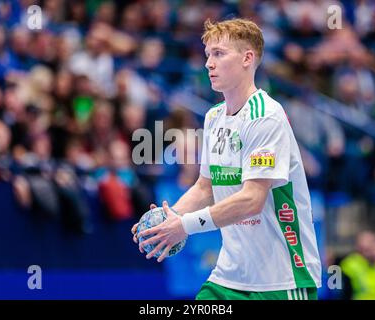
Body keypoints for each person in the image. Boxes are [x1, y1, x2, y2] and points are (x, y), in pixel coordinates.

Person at [131, 18, 322, 300]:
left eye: (219, 54)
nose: (209, 63)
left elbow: (252, 200)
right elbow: (205, 188)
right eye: (208, 54)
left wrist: (184, 227)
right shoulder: (213, 117)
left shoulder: (266, 116)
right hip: (230, 276)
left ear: (247, 58)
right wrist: (170, 219)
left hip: (281, 277)